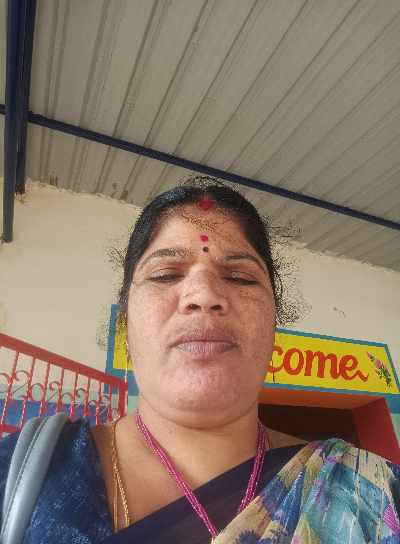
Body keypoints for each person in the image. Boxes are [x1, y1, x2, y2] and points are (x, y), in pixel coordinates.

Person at [1, 177, 400, 543]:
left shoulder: (371, 496)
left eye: (241, 277)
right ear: (125, 322)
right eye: (165, 274)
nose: (204, 294)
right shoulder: (22, 477)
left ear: (273, 324)